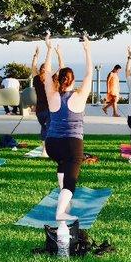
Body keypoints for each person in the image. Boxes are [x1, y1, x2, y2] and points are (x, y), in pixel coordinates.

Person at [43, 33, 92, 222]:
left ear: (59, 79)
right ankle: (60, 212)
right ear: (72, 80)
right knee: (71, 182)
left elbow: (47, 72)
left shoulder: (51, 94)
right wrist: (87, 49)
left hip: (52, 145)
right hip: (72, 144)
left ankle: (64, 202)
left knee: (63, 165)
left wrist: (48, 49)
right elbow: (89, 73)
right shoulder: (79, 96)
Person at [31, 45, 64, 157]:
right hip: (51, 109)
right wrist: (58, 53)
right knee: (50, 130)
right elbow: (62, 67)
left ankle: (46, 150)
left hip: (40, 111)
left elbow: (33, 66)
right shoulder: (53, 79)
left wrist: (36, 55)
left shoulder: (36, 79)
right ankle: (46, 151)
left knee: (45, 128)